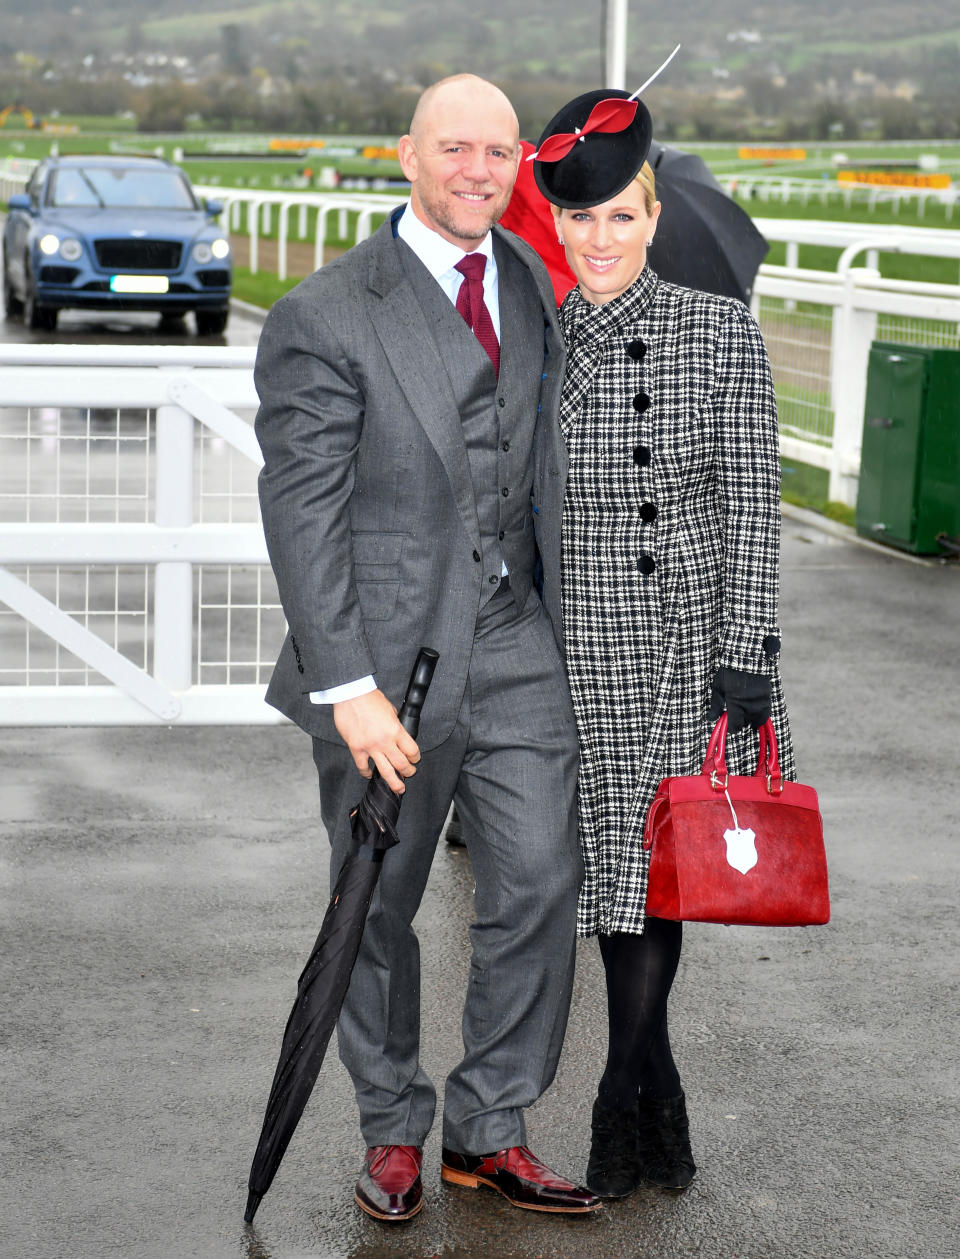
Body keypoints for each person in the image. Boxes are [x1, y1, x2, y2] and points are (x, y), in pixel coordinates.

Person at [253, 75, 600, 1222]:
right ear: (405, 154)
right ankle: (394, 1126)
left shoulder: (533, 283)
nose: (479, 171)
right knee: (380, 902)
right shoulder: (327, 308)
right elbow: (302, 515)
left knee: (544, 881)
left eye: (499, 152)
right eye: (456, 148)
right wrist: (346, 686)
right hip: (386, 664)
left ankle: (490, 1125)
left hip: (515, 637)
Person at [527, 89, 795, 1199]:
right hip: (572, 648)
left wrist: (748, 653)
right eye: (579, 219)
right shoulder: (536, 343)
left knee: (657, 881)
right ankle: (660, 1093)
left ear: (651, 218)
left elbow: (754, 498)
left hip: (686, 644)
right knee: (611, 885)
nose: (600, 240)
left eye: (622, 218)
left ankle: (615, 1097)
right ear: (557, 224)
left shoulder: (719, 329)